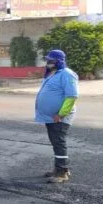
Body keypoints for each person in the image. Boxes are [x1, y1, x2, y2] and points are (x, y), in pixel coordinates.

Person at [35, 49, 78, 184]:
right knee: (55, 142)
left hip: (60, 116)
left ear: (59, 61)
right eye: (48, 60)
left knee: (59, 142)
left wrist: (61, 114)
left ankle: (62, 172)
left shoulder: (66, 74)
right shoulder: (51, 74)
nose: (48, 62)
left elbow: (71, 96)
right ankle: (59, 168)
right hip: (51, 117)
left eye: (52, 60)